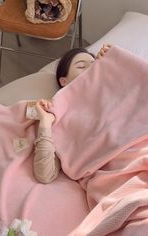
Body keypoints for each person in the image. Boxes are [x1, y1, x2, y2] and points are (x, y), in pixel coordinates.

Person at [33, 45, 112, 184]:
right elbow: (44, 174)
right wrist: (45, 123)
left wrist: (112, 61)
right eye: (81, 66)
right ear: (63, 81)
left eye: (94, 65)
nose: (90, 69)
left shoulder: (113, 94)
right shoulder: (59, 112)